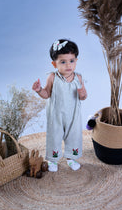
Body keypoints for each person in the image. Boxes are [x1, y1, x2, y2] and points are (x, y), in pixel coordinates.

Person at [32, 39, 87, 172]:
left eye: (71, 61)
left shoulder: (78, 78)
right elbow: (47, 94)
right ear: (54, 63)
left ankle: (71, 158)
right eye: (63, 62)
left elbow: (83, 97)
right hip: (55, 115)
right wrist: (39, 90)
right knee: (54, 136)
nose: (68, 65)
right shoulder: (52, 77)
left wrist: (82, 92)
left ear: (76, 61)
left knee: (74, 136)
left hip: (73, 115)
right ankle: (53, 160)